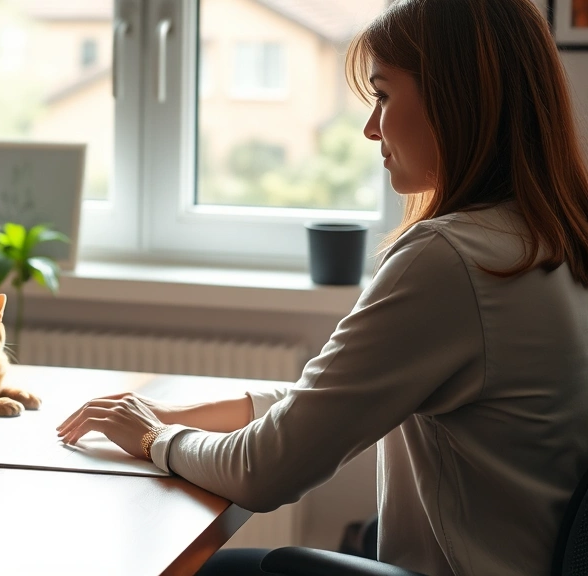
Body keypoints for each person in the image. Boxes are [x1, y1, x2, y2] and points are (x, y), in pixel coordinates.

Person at [55, 0, 588, 574]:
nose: (369, 126)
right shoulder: (547, 237)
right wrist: (179, 414)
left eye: (383, 95)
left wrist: (155, 440)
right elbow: (340, 400)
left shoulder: (452, 258)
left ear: (456, 99)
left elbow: (266, 471)